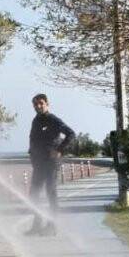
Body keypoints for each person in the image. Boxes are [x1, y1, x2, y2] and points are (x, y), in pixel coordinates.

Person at [27, 93, 75, 236]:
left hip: (51, 163)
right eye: (35, 104)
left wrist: (59, 150)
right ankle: (37, 225)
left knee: (50, 192)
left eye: (41, 103)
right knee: (33, 194)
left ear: (47, 104)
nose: (38, 106)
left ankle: (52, 226)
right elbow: (34, 140)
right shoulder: (36, 120)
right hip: (38, 164)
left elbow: (71, 134)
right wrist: (32, 155)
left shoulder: (53, 120)